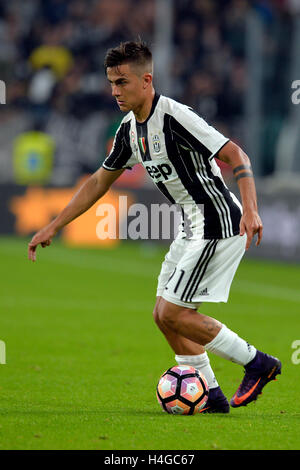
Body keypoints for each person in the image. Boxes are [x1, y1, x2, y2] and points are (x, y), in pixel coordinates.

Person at [28, 41, 281, 413]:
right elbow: (100, 181)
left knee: (175, 313)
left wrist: (252, 211)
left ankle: (258, 363)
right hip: (190, 226)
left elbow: (236, 155)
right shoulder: (130, 129)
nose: (115, 91)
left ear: (146, 80)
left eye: (122, 82)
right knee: (162, 317)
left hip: (217, 221)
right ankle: (211, 395)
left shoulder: (176, 117)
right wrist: (54, 225)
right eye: (111, 83)